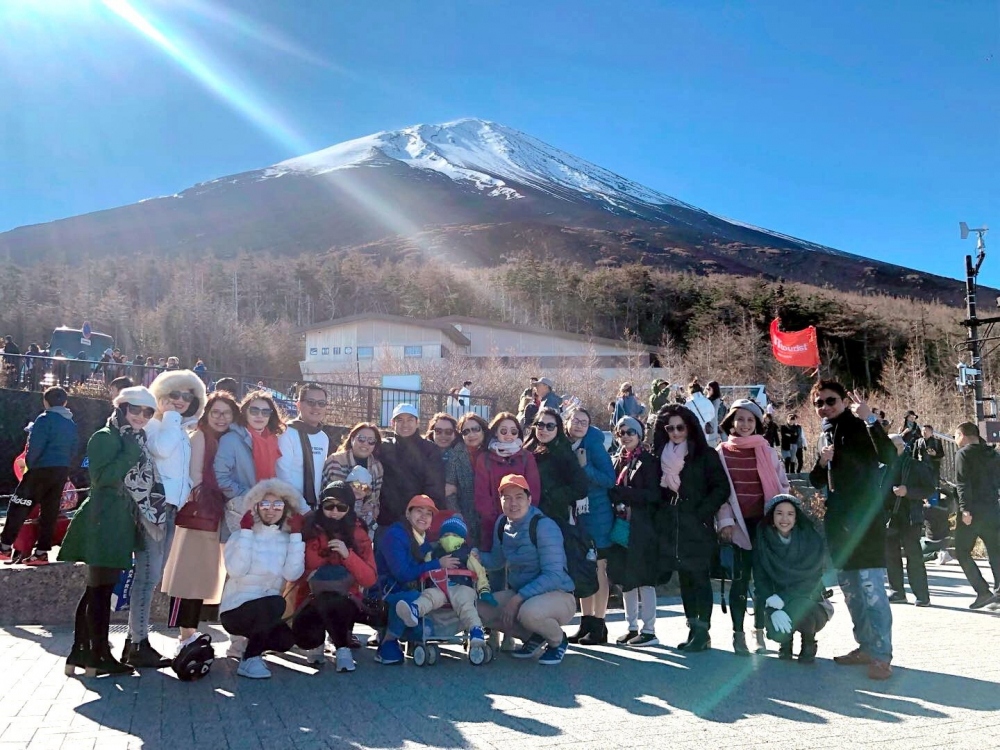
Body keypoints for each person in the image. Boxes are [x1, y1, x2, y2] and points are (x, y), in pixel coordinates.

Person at [59, 386, 159, 677]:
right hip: (104, 518)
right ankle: (97, 654)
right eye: (135, 409)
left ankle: (82, 652)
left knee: (97, 588)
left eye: (148, 412)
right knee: (99, 589)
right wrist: (129, 453)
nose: (141, 416)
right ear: (121, 408)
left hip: (117, 518)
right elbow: (101, 478)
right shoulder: (107, 437)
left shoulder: (133, 437)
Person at [809, 381, 897, 680]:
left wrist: (870, 419)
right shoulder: (826, 433)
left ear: (844, 401)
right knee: (852, 593)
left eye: (830, 400)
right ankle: (866, 647)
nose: (824, 407)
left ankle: (882, 655)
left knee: (872, 590)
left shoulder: (859, 424)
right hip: (839, 524)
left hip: (866, 522)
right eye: (818, 403)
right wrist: (822, 461)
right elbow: (815, 479)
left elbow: (889, 456)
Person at [161, 391, 238, 657]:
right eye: (216, 412)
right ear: (206, 414)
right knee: (190, 577)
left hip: (214, 513)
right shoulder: (201, 437)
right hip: (201, 514)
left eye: (226, 413)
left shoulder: (225, 439)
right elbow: (196, 477)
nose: (221, 418)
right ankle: (185, 634)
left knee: (202, 576)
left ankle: (189, 632)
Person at [716, 399, 791, 656]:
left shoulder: (767, 451)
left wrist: (783, 518)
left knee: (763, 582)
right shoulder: (721, 452)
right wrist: (724, 521)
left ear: (757, 423)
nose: (745, 424)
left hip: (765, 525)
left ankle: (758, 631)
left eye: (750, 420)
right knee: (739, 582)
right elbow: (720, 492)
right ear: (731, 422)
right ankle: (738, 634)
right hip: (737, 526)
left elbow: (783, 487)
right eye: (740, 419)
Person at [651, 404, 730, 652]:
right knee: (685, 578)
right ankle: (692, 628)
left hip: (697, 524)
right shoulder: (661, 455)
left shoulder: (705, 454)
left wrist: (701, 513)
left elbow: (721, 488)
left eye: (680, 427)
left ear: (690, 427)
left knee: (699, 578)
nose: (675, 432)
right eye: (670, 428)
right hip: (674, 525)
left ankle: (703, 631)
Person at [476, 474, 576, 666]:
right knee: (478, 610)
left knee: (528, 613)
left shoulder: (544, 526)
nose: (513, 503)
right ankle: (534, 636)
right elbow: (497, 560)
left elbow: (554, 575)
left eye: (519, 497)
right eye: (507, 498)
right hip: (523, 595)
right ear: (501, 501)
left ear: (529, 499)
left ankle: (557, 640)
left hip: (558, 595)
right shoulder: (502, 524)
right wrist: (476, 557)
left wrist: (518, 598)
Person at [220, 479, 306, 679]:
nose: (271, 510)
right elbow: (236, 570)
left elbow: (292, 574)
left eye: (277, 505)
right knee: (276, 603)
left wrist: (295, 536)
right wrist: (246, 534)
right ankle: (250, 659)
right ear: (255, 506)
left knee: (284, 640)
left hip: (268, 610)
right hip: (236, 609)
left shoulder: (287, 539)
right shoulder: (240, 535)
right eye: (265, 504)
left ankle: (249, 647)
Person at [292, 481, 376, 672]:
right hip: (310, 599)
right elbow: (296, 573)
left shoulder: (358, 532)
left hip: (345, 600)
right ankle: (319, 642)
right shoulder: (309, 528)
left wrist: (348, 556)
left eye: (341, 507)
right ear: (321, 505)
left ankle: (342, 648)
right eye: (329, 506)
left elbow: (370, 579)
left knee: (333, 601)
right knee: (308, 636)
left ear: (350, 508)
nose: (335, 512)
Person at [373, 494, 459, 665]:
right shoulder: (395, 535)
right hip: (384, 595)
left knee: (426, 630)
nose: (423, 517)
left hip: (411, 594)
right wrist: (437, 564)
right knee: (411, 599)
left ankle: (411, 640)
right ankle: (387, 642)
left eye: (428, 514)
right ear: (408, 514)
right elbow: (402, 573)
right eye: (419, 511)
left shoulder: (425, 539)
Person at [394, 514, 491, 660]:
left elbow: (479, 572)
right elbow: (423, 567)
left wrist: (484, 589)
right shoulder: (433, 554)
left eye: (454, 535)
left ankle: (476, 630)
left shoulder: (467, 554)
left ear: (463, 538)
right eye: (446, 535)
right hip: (440, 587)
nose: (449, 538)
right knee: (429, 596)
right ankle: (414, 611)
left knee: (465, 603)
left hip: (461, 586)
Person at [0, 386, 78, 565]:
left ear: (45, 401)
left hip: (40, 469)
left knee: (19, 505)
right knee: (50, 511)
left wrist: (30, 465)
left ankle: (4, 546)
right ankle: (41, 552)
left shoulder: (44, 419)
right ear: (65, 402)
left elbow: (35, 447)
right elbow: (74, 448)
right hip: (61, 470)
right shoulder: (71, 424)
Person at [754, 494, 832, 663]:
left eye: (790, 514)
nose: (784, 519)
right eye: (779, 513)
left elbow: (812, 580)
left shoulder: (811, 540)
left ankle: (808, 641)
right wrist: (770, 600)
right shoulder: (763, 540)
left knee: (801, 606)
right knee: (777, 629)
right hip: (776, 599)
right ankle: (785, 643)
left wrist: (783, 599)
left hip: (809, 599)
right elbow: (760, 578)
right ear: (771, 517)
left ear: (796, 518)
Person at [606, 416, 662, 646]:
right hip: (622, 526)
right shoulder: (618, 460)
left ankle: (649, 630)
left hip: (643, 526)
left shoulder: (648, 461)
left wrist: (624, 493)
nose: (626, 436)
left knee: (645, 579)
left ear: (640, 435)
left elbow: (654, 495)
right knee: (626, 578)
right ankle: (631, 627)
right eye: (621, 432)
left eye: (631, 432)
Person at [564, 407, 616, 645]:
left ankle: (600, 624)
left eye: (583, 422)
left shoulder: (593, 445)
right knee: (584, 566)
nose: (578, 425)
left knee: (599, 568)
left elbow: (609, 479)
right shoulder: (565, 445)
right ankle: (586, 622)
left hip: (598, 514)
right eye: (575, 420)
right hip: (578, 516)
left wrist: (585, 467)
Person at [215, 390, 286, 536]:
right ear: (245, 412)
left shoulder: (273, 441)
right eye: (254, 410)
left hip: (267, 510)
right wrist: (250, 496)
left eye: (265, 412)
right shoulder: (231, 439)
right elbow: (220, 479)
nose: (260, 415)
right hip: (240, 512)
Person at [473, 412, 541, 551]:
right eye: (503, 431)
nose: (509, 434)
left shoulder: (526, 457)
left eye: (513, 431)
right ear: (496, 433)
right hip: (492, 526)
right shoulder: (484, 458)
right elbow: (482, 495)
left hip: (522, 524)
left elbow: (533, 492)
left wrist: (521, 518)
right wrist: (498, 521)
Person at [952, 422, 1000, 610]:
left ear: (962, 435)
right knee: (996, 551)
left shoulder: (963, 454)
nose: (955, 440)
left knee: (962, 551)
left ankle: (982, 591)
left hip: (972, 512)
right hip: (992, 509)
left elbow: (963, 483)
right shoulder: (992, 454)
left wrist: (965, 510)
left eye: (955, 436)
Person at [377, 404, 445, 533]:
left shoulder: (430, 450)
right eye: (400, 420)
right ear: (392, 423)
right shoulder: (384, 447)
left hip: (417, 523)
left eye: (410, 420)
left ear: (417, 422)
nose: (405, 424)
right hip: (386, 521)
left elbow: (435, 488)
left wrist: (421, 515)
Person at [883, 434, 934, 607]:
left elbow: (929, 489)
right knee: (891, 555)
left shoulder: (914, 465)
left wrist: (908, 491)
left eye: (897, 445)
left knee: (914, 556)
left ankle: (922, 595)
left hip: (911, 516)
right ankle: (897, 591)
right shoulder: (883, 466)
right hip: (889, 516)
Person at [277, 383, 331, 509]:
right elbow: (282, 475)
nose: (316, 407)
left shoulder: (323, 438)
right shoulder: (286, 433)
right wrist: (303, 508)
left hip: (313, 508)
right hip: (288, 506)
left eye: (321, 403)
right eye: (311, 402)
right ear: (299, 404)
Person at [323, 422, 384, 531]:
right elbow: (335, 494)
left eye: (371, 441)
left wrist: (371, 506)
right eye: (361, 439)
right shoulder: (336, 460)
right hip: (336, 518)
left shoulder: (377, 467)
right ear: (352, 439)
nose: (365, 443)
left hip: (364, 523)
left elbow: (375, 497)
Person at [447, 413, 488, 545]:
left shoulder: (495, 451)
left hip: (491, 515)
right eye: (466, 431)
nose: (471, 434)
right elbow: (449, 489)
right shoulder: (455, 455)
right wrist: (457, 515)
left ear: (483, 430)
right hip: (466, 515)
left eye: (476, 429)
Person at [426, 412, 461, 511]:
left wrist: (456, 489)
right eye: (438, 431)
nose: (443, 435)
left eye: (448, 431)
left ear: (455, 433)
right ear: (432, 432)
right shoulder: (422, 454)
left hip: (457, 511)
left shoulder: (463, 456)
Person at [684, 379, 719, 448]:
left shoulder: (689, 403)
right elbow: (713, 415)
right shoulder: (707, 401)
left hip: (694, 432)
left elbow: (685, 417)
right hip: (708, 432)